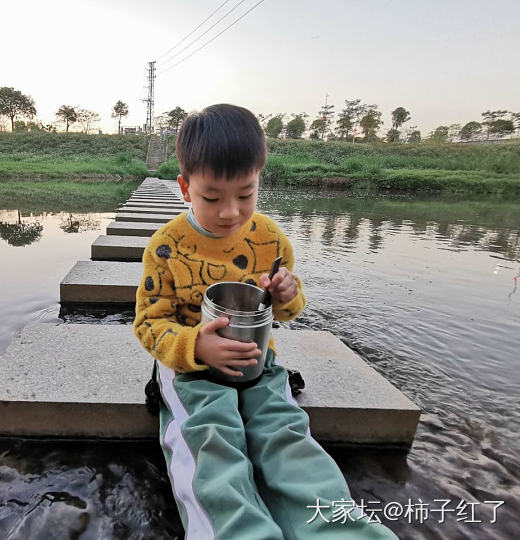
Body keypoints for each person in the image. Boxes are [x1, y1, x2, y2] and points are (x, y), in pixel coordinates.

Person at [133, 104, 397, 539]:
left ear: (260, 180)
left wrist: (288, 295)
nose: (231, 212)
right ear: (185, 188)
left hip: (260, 364)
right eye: (212, 197)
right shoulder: (166, 247)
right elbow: (148, 322)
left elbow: (288, 312)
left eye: (246, 193)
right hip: (191, 371)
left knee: (289, 439)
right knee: (213, 446)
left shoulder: (271, 239)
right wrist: (196, 346)